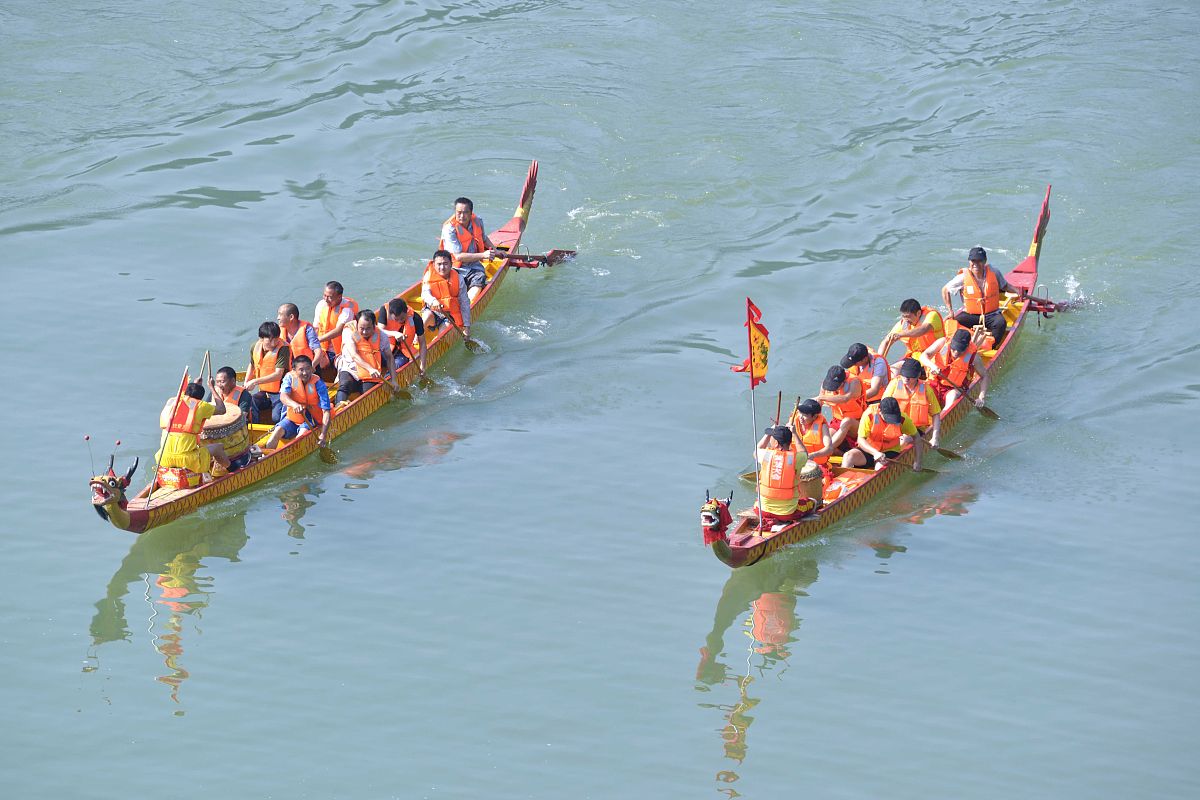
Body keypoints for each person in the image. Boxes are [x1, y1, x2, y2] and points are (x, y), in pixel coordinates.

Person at [155, 379, 232, 480]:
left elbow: (185, 398)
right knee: (218, 447)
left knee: (199, 445)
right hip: (187, 460)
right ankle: (233, 470)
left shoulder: (171, 402)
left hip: (163, 458)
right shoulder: (201, 406)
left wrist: (194, 385)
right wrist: (212, 387)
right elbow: (222, 409)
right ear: (200, 399)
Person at [262, 355, 332, 451]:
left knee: (300, 437)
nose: (305, 373)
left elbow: (326, 411)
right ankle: (268, 457)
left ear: (312, 368)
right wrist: (294, 404)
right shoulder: (290, 378)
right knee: (276, 432)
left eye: (308, 368)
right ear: (294, 370)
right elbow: (283, 396)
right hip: (293, 417)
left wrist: (323, 434)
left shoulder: (318, 384)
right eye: (301, 370)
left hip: (311, 418)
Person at [752, 425, 816, 529]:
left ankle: (770, 519)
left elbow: (756, 450)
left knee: (757, 502)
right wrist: (794, 433)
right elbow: (804, 453)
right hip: (787, 514)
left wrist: (767, 434)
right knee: (812, 503)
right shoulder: (797, 458)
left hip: (760, 510)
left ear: (776, 443)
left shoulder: (765, 455)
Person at [440, 196, 500, 302]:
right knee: (451, 286)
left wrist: (496, 251)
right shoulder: (449, 229)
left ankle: (468, 305)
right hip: (453, 267)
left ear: (471, 213)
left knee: (480, 278)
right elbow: (458, 256)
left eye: (465, 212)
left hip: (473, 266)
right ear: (455, 212)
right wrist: (483, 255)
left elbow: (484, 238)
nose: (462, 216)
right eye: (459, 212)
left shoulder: (478, 221)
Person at [335, 309, 400, 404]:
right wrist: (370, 368)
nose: (364, 332)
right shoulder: (348, 331)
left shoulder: (381, 336)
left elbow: (389, 357)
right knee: (345, 385)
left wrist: (394, 380)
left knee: (368, 394)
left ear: (374, 326)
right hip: (350, 369)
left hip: (370, 374)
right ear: (357, 325)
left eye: (368, 328)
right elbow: (354, 355)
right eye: (361, 328)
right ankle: (338, 406)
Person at [843, 397, 924, 472]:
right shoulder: (869, 415)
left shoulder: (903, 419)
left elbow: (917, 437)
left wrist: (918, 461)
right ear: (880, 411)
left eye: (893, 418)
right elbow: (860, 440)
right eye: (888, 418)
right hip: (870, 449)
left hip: (890, 451)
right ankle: (843, 484)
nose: (891, 421)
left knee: (879, 468)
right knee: (848, 456)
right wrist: (875, 453)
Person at [921, 328, 990, 408]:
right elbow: (923, 356)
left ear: (967, 346)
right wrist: (933, 366)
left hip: (954, 389)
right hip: (935, 382)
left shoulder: (973, 357)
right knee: (922, 389)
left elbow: (984, 376)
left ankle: (943, 416)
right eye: (954, 348)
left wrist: (981, 397)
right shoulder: (943, 342)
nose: (956, 352)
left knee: (953, 396)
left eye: (960, 350)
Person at [883, 357, 943, 447]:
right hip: (894, 424)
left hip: (916, 429)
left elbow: (936, 414)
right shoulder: (894, 384)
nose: (906, 379)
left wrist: (935, 437)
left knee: (905, 439)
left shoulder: (927, 389)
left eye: (909, 376)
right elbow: (884, 406)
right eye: (904, 375)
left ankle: (894, 454)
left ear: (918, 375)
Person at [243, 321, 290, 424]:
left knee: (276, 418)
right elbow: (252, 365)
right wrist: (246, 383)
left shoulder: (283, 349)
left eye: (276, 339)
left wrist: (254, 381)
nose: (274, 343)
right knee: (251, 402)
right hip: (264, 391)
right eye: (270, 340)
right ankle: (255, 428)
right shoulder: (254, 347)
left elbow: (278, 375)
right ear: (261, 339)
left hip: (281, 391)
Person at [421, 249, 471, 338]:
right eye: (439, 264)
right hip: (433, 311)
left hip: (449, 315)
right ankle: (417, 338)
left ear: (451, 264)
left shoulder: (459, 279)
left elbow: (464, 302)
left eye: (445, 264)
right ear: (434, 265)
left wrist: (467, 326)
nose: (442, 267)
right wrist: (433, 301)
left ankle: (436, 343)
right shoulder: (428, 275)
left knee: (442, 335)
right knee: (426, 316)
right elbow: (425, 294)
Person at [816, 365, 867, 451]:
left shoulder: (854, 382)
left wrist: (822, 398)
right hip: (837, 421)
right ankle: (835, 452)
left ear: (843, 382)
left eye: (836, 386)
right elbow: (819, 404)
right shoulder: (825, 385)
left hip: (857, 423)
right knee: (825, 440)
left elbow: (845, 398)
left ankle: (827, 451)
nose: (833, 388)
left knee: (847, 421)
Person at [878, 298, 944, 362]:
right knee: (893, 369)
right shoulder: (903, 324)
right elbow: (886, 341)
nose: (906, 320)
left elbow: (923, 330)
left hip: (935, 354)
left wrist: (900, 334)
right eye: (903, 316)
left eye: (908, 316)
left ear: (918, 313)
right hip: (915, 358)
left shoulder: (932, 316)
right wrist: (879, 360)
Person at [314, 281, 359, 373]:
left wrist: (318, 340)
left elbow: (338, 331)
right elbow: (316, 327)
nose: (326, 299)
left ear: (339, 297)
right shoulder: (321, 304)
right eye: (324, 295)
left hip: (341, 349)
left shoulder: (347, 309)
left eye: (329, 297)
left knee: (344, 368)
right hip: (322, 346)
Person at [787, 398, 835, 480]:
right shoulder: (793, 423)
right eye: (800, 413)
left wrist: (813, 455)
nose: (801, 417)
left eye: (805, 415)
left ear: (814, 416)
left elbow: (829, 449)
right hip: (797, 464)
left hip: (817, 466)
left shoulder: (822, 426)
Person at [378, 297, 427, 374]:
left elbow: (423, 343)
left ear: (407, 311)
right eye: (396, 319)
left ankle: (386, 380)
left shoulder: (416, 318)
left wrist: (422, 366)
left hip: (402, 353)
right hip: (386, 347)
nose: (400, 321)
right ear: (391, 314)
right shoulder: (384, 310)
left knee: (395, 367)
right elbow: (379, 331)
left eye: (402, 318)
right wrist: (394, 333)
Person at [277, 303, 326, 371]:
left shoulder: (307, 330)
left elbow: (318, 351)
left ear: (291, 317)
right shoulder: (279, 330)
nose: (278, 318)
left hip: (308, 369)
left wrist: (312, 366)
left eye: (280, 314)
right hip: (291, 370)